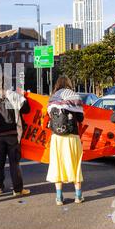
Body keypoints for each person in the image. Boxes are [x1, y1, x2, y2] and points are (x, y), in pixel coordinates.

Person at [46, 76, 85, 206]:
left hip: (57, 138)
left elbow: (50, 117)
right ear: (69, 84)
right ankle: (78, 196)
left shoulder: (52, 98)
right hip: (72, 137)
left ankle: (59, 197)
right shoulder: (75, 97)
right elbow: (80, 118)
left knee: (58, 165)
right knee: (76, 165)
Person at [0, 83, 31, 197]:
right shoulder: (14, 97)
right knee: (14, 163)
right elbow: (27, 109)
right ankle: (17, 190)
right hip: (13, 135)